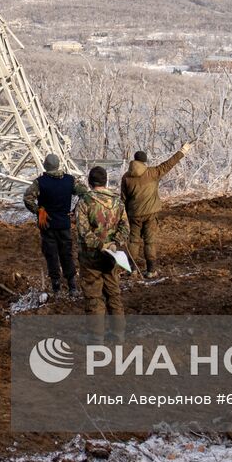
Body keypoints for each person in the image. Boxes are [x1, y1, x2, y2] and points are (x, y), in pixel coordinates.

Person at [74, 166, 129, 344]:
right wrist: (114, 244)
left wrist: (100, 244)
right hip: (112, 257)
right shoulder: (117, 202)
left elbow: (83, 232)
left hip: (91, 258)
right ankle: (119, 334)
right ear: (106, 181)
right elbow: (125, 228)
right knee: (113, 293)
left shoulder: (84, 202)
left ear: (90, 182)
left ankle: (96, 337)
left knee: (93, 296)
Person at [121, 143, 191, 279]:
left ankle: (132, 270)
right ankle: (151, 270)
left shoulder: (126, 177)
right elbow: (169, 164)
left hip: (134, 214)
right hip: (151, 213)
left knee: (133, 241)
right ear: (144, 161)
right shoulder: (152, 173)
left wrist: (123, 215)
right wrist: (182, 151)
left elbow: (123, 198)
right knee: (149, 241)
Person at [22, 154, 87, 296]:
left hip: (47, 226)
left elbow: (27, 198)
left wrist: (38, 211)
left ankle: (56, 287)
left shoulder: (40, 182)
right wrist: (75, 210)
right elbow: (85, 193)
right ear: (58, 165)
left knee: (51, 255)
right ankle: (72, 286)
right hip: (64, 224)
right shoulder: (70, 180)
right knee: (67, 254)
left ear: (45, 165)